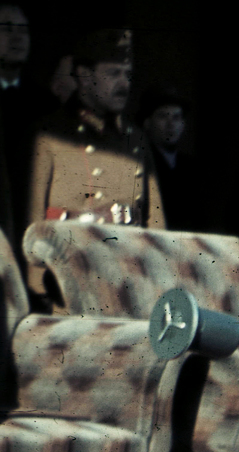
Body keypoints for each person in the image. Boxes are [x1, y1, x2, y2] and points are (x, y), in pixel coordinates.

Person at [27, 28, 164, 295]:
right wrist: (37, 287)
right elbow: (32, 216)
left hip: (128, 281)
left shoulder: (136, 140)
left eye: (127, 75)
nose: (124, 83)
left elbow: (155, 221)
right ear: (85, 77)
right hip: (69, 282)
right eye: (113, 74)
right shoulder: (50, 135)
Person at [0, 4, 50, 246]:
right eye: (7, 29)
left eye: (23, 30)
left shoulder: (44, 104)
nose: (17, 37)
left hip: (29, 226)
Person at [140, 87, 205, 231]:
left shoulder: (191, 167)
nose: (171, 124)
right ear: (148, 123)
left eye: (176, 117)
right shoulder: (140, 163)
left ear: (183, 125)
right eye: (162, 116)